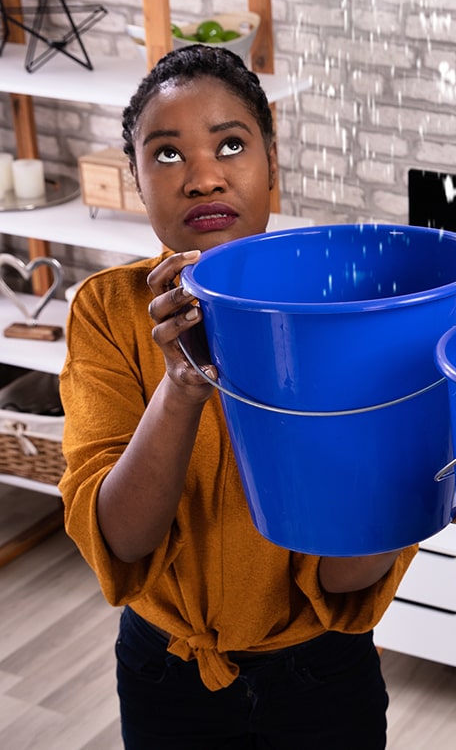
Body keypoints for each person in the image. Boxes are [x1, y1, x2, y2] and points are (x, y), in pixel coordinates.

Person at [58, 45, 414, 749]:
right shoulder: (106, 310)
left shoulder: (334, 314)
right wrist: (182, 385)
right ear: (134, 180)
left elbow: (347, 578)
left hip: (323, 673)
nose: (202, 177)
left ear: (271, 165)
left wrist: (404, 468)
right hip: (167, 674)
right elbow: (121, 540)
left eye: (230, 143)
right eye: (166, 155)